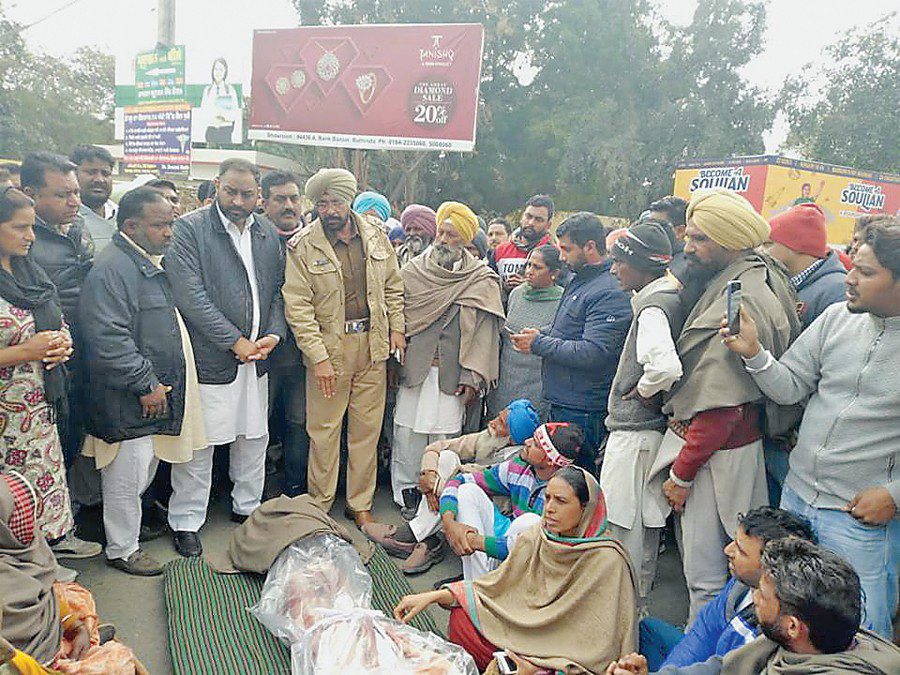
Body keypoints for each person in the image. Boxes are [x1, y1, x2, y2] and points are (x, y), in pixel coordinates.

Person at [722, 218, 900, 639]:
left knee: (857, 632)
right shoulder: (837, 318)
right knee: (783, 617)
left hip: (855, 518)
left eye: (867, 272)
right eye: (852, 266)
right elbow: (790, 387)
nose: (849, 279)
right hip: (796, 498)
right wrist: (755, 354)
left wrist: (893, 495)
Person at [654, 188, 800, 624]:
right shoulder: (744, 277)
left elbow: (724, 403)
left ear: (729, 241)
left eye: (700, 239)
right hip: (725, 450)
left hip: (720, 452)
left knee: (710, 576)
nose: (689, 247)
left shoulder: (743, 295)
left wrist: (682, 473)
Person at [395, 466, 637, 674]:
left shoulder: (607, 560)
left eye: (561, 501)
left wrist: (541, 666)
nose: (549, 509)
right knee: (462, 619)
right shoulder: (539, 536)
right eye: (548, 498)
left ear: (585, 508)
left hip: (566, 659)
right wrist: (433, 596)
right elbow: (495, 588)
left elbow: (602, 646)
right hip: (523, 635)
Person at [78, 187, 208, 576]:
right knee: (125, 474)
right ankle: (122, 549)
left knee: (140, 471)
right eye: (160, 225)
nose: (169, 232)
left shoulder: (143, 262)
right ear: (131, 226)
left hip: (144, 391)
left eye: (170, 223)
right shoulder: (114, 268)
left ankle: (128, 537)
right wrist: (145, 383)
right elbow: (108, 338)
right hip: (127, 396)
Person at [165, 158, 288, 557]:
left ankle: (247, 508)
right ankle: (186, 520)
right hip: (210, 358)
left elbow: (277, 293)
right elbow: (190, 296)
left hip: (258, 356)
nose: (238, 201)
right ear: (216, 185)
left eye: (247, 194)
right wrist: (235, 341)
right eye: (230, 191)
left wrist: (273, 333)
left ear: (259, 195)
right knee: (201, 444)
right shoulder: (191, 229)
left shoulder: (267, 233)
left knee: (253, 436)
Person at [282, 168, 404, 528]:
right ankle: (320, 503)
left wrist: (397, 330)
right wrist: (317, 357)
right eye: (322, 203)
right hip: (329, 350)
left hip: (372, 345)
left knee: (366, 429)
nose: (330, 210)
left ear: (349, 200)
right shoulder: (304, 245)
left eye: (336, 201)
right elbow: (298, 306)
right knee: (324, 430)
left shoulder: (377, 238)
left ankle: (360, 503)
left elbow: (393, 288)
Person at [606, 539, 900, 675]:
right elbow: (717, 668)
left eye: (762, 593)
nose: (754, 598)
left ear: (793, 626)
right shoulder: (796, 643)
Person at [0, 187, 99, 566]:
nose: (30, 236)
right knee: (11, 495)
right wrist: (26, 352)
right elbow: (29, 342)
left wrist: (62, 344)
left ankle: (49, 550)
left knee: (43, 477)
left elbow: (54, 318)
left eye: (31, 228)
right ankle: (21, 567)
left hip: (39, 406)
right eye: (19, 228)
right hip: (6, 413)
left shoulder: (27, 269)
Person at [389, 201, 504, 511]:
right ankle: (405, 492)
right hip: (415, 368)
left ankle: (438, 496)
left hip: (453, 374)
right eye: (441, 232)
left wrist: (472, 377)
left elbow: (484, 334)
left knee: (445, 437)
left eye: (452, 235)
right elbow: (395, 315)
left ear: (466, 240)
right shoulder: (412, 272)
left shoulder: (480, 279)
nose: (442, 239)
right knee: (406, 433)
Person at [599, 221, 683, 607]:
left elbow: (664, 368)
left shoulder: (652, 308)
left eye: (619, 262)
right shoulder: (667, 297)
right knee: (641, 524)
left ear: (642, 265)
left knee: (621, 523)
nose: (614, 269)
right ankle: (633, 599)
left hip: (635, 433)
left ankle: (620, 605)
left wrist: (642, 391)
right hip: (647, 433)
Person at [511, 212, 632, 470]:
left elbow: (594, 351)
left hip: (584, 408)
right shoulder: (581, 280)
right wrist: (540, 334)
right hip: (563, 400)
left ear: (590, 247)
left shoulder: (609, 291)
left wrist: (539, 343)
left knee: (577, 483)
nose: (562, 257)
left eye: (567, 249)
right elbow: (568, 330)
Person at [363, 399, 540, 575]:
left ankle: (418, 536)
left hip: (488, 514)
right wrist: (428, 473)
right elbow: (437, 448)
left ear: (511, 439)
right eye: (498, 416)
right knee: (447, 457)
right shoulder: (488, 437)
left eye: (501, 423)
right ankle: (427, 538)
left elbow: (474, 480)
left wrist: (436, 486)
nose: (492, 422)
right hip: (452, 497)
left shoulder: (515, 462)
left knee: (461, 488)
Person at [0, 472, 145, 672]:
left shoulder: (18, 555)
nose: (30, 526)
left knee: (72, 595)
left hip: (32, 649)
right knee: (119, 662)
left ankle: (79, 639)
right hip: (25, 665)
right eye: (21, 518)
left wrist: (74, 626)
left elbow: (44, 592)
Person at [639, 507, 817, 671]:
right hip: (710, 661)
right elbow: (702, 635)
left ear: (769, 567)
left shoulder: (776, 623)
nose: (727, 550)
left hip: (726, 668)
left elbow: (727, 667)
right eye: (734, 542)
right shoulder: (740, 584)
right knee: (647, 628)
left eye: (741, 551)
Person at [438, 422, 584, 581]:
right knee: (467, 491)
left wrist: (473, 540)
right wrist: (449, 523)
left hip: (534, 563)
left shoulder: (564, 493)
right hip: (504, 543)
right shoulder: (518, 467)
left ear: (550, 460)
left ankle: (480, 590)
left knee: (529, 522)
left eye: (535, 443)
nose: (527, 442)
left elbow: (536, 543)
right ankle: (476, 585)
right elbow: (460, 480)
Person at [259, 170, 309, 497]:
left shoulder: (314, 239)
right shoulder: (254, 238)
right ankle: (252, 492)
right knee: (256, 427)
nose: (288, 205)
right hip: (261, 353)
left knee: (299, 423)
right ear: (264, 203)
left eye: (293, 198)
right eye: (280, 199)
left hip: (305, 355)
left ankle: (295, 489)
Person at [487, 244, 563, 420]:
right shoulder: (516, 294)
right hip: (506, 376)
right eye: (528, 265)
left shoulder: (562, 300)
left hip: (537, 380)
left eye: (537, 267)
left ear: (555, 273)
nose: (529, 271)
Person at [765, 203, 846, 329]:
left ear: (796, 247)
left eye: (768, 244)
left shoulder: (837, 291)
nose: (761, 251)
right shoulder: (783, 279)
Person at [493, 194, 555, 291]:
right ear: (522, 217)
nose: (531, 223)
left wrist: (528, 285)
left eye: (538, 220)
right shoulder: (499, 250)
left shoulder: (555, 254)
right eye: (528, 216)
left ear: (548, 225)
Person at [70, 145, 117, 252]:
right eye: (91, 172)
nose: (99, 179)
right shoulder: (66, 220)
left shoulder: (123, 215)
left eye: (105, 173)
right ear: (73, 174)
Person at [647, 196, 689, 281]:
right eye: (648, 224)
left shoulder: (688, 269)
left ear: (680, 231)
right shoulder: (647, 257)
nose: (649, 230)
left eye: (658, 226)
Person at [200, 57, 240, 145]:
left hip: (225, 131)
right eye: (216, 69)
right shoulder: (207, 90)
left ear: (225, 72)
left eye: (221, 69)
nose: (218, 72)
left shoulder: (230, 90)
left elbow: (235, 113)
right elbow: (203, 113)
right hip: (211, 131)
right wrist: (212, 114)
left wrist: (223, 115)